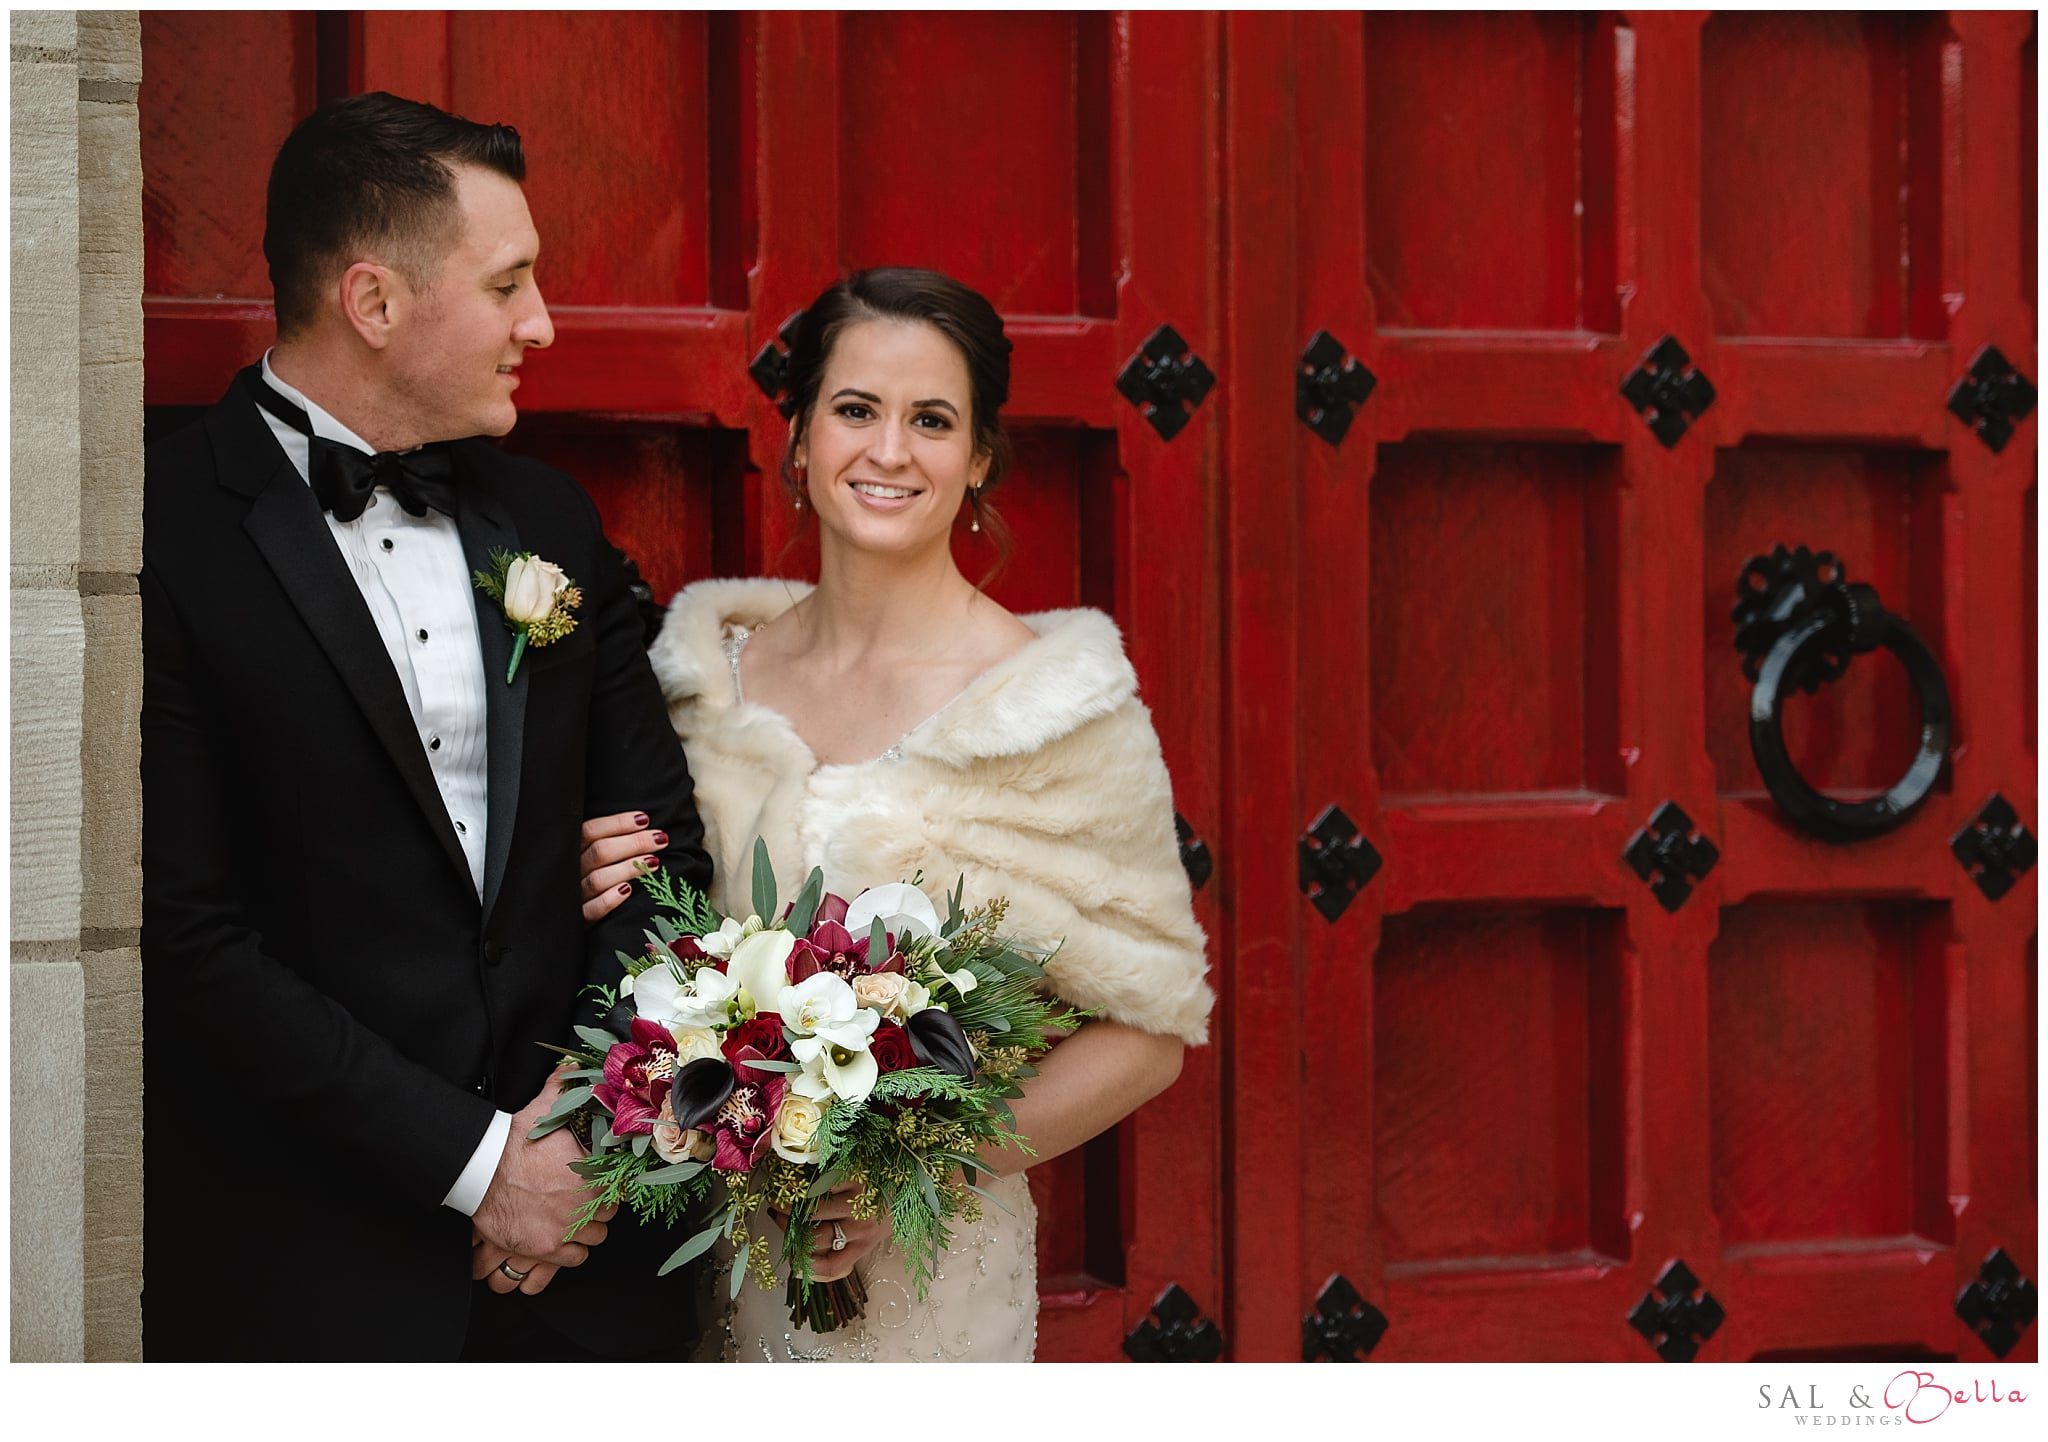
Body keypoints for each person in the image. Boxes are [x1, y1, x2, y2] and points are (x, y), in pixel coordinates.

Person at [140, 92, 718, 1360]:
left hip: (587, 1261)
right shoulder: (153, 533)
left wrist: (568, 1140)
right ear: (375, 301)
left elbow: (662, 852)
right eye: (508, 282)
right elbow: (183, 936)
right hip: (302, 1265)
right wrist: (474, 1165)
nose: (542, 323)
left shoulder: (549, 521)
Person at [581, 267, 1214, 1361]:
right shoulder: (693, 690)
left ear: (976, 460)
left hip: (931, 1294)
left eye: (930, 420)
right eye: (855, 409)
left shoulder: (1053, 713)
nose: (887, 451)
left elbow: (1150, 1027)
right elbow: (644, 943)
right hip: (704, 1276)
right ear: (796, 438)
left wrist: (922, 1166)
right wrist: (595, 872)